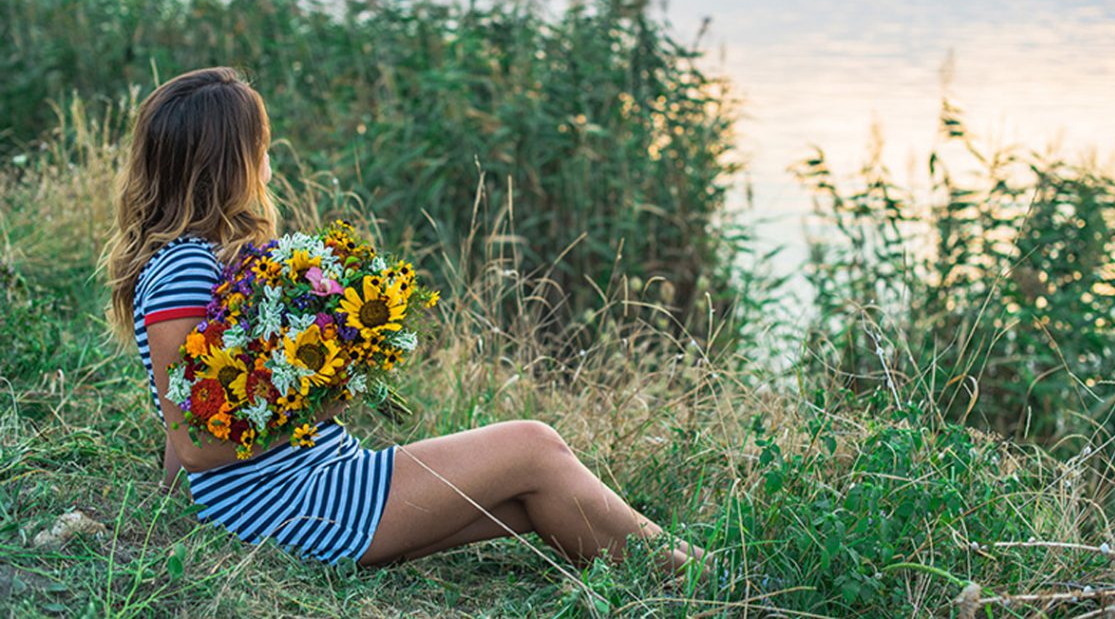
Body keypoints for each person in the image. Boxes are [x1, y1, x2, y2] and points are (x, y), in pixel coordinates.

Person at [102, 66, 705, 570]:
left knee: (535, 493)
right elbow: (196, 442)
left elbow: (186, 426)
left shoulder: (201, 258)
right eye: (262, 145)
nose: (269, 158)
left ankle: (688, 579)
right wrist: (322, 399)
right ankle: (711, 581)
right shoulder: (185, 269)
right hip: (290, 505)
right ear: (229, 161)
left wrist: (176, 507)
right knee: (533, 446)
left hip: (300, 487)